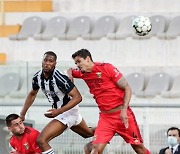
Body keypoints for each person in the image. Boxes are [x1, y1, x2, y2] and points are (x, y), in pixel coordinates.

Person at [67, 49, 151, 154]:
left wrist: (124, 110)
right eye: (75, 63)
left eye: (79, 61)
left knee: (139, 149)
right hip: (105, 119)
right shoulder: (83, 73)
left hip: (122, 115)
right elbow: (69, 70)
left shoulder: (107, 68)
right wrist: (69, 73)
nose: (77, 65)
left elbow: (127, 88)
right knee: (95, 150)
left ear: (87, 59)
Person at [20, 51, 94, 154]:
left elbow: (78, 97)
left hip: (67, 111)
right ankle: (114, 129)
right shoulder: (37, 77)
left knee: (41, 140)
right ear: (42, 61)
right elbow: (32, 94)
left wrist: (59, 111)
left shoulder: (60, 78)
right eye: (45, 60)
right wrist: (22, 113)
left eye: (51, 61)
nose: (47, 63)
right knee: (88, 133)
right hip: (62, 112)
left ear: (55, 63)